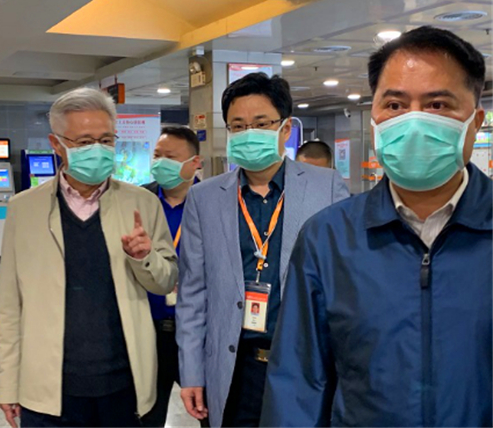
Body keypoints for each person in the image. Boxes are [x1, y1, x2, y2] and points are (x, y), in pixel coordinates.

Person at [262, 26, 492, 427]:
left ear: (475, 121)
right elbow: (298, 385)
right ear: (375, 120)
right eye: (395, 105)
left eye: (438, 104)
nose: (414, 121)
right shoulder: (328, 239)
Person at [0, 88, 178, 428]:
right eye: (84, 142)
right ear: (56, 144)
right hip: (48, 389)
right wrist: (7, 383)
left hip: (124, 383)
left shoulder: (142, 203)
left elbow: (165, 281)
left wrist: (145, 256)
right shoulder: (25, 208)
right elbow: (9, 306)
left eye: (106, 140)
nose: (98, 149)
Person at [176, 73, 350, 427]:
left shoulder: (327, 186)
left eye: (261, 123)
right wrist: (191, 372)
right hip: (234, 368)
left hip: (305, 365)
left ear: (285, 129)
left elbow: (346, 281)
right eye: (238, 126)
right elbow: (193, 293)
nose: (248, 133)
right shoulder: (204, 197)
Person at [141, 125, 202, 428]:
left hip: (198, 333)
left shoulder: (214, 202)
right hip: (147, 330)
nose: (160, 163)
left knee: (209, 412)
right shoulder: (139, 201)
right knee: (145, 417)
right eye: (157, 155)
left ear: (195, 163)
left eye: (171, 157)